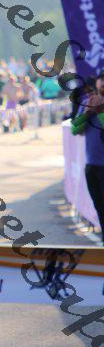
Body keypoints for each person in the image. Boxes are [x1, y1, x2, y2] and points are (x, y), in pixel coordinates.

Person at [71, 72, 104, 244]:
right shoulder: (88, 102)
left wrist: (99, 110)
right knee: (99, 205)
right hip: (92, 164)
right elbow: (75, 129)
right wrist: (87, 112)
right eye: (102, 79)